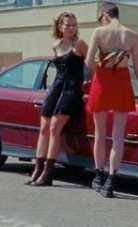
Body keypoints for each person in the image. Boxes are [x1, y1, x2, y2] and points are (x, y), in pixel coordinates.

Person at [85, 2, 138, 197]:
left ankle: (98, 176)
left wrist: (106, 59)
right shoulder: (132, 36)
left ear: (105, 14)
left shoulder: (99, 32)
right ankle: (111, 181)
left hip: (102, 82)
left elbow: (89, 62)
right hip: (122, 82)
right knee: (118, 135)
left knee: (100, 132)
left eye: (101, 18)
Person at [24, 12, 88, 186]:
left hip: (71, 91)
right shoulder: (56, 45)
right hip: (56, 88)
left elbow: (93, 66)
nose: (72, 28)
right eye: (68, 25)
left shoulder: (80, 44)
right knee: (43, 128)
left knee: (54, 129)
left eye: (74, 25)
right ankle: (37, 168)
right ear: (60, 27)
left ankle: (48, 173)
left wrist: (88, 90)